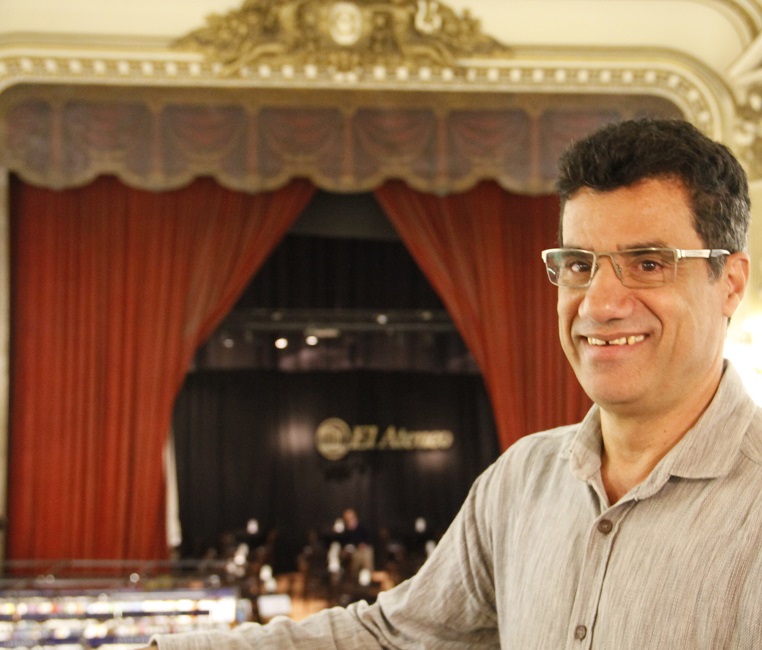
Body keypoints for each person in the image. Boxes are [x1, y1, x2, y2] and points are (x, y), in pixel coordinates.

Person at [145, 118, 762, 648]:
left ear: (731, 283)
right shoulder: (521, 479)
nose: (599, 303)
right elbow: (393, 637)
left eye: (647, 264)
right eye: (578, 265)